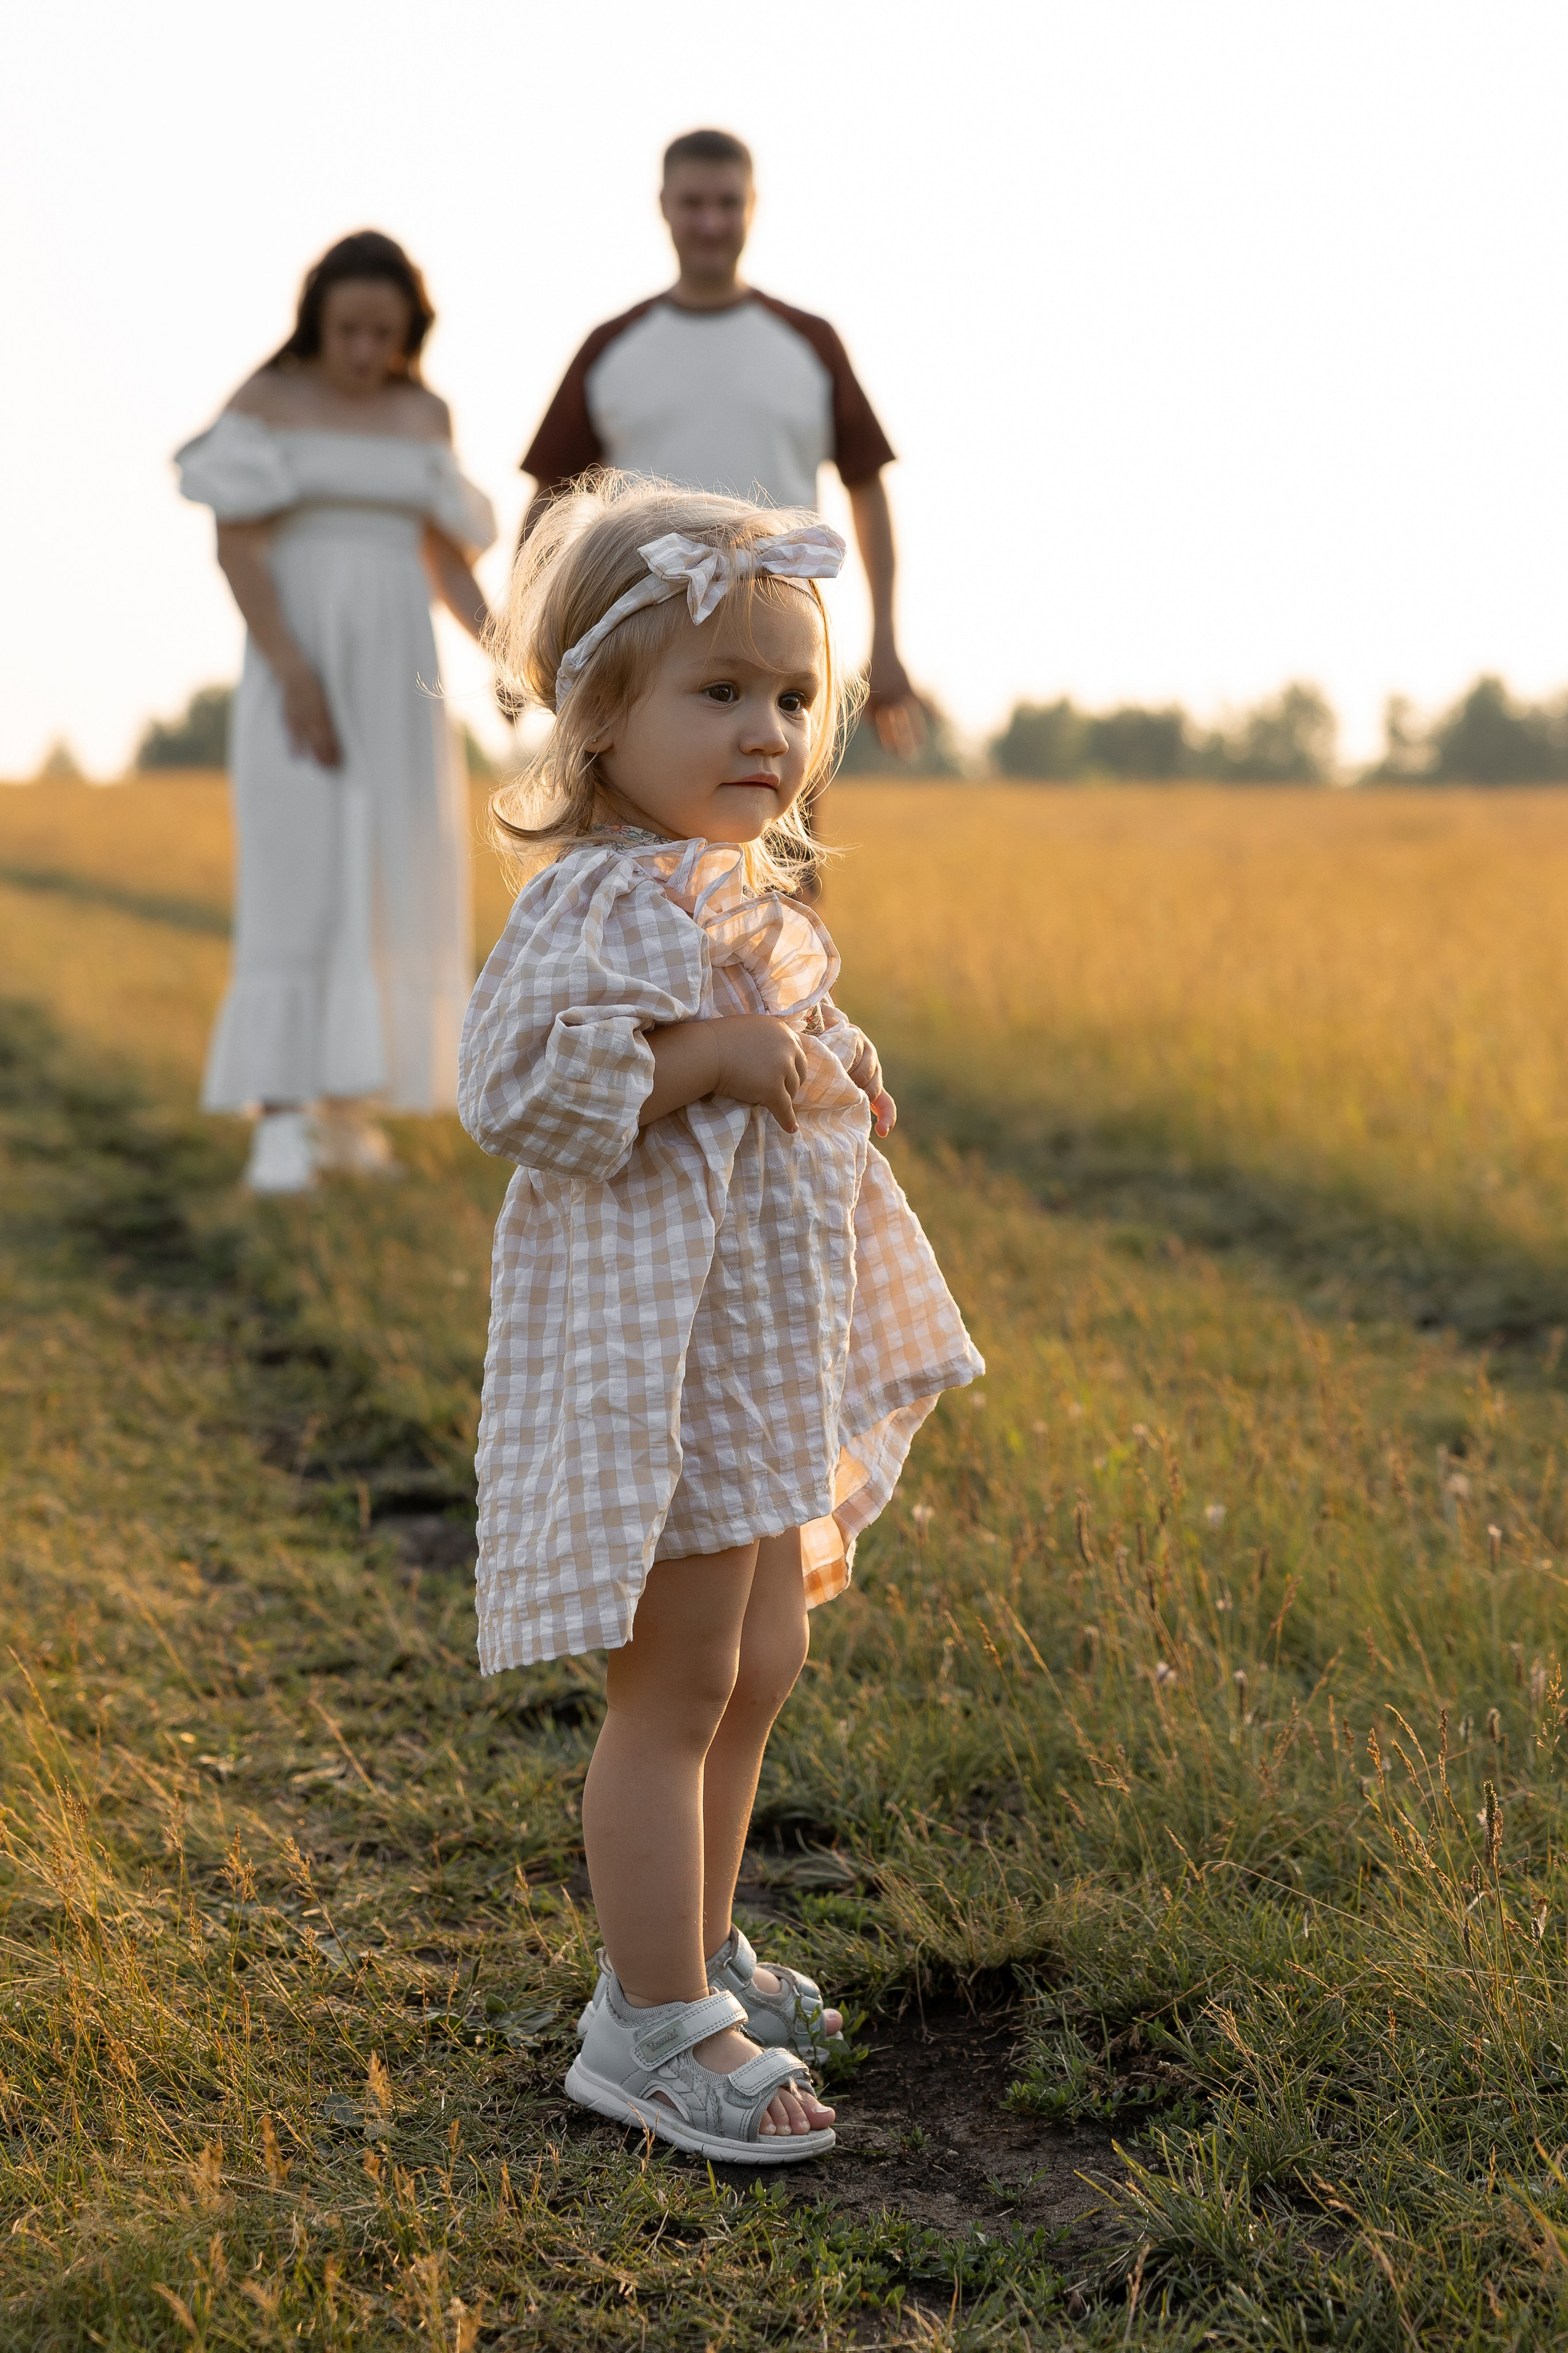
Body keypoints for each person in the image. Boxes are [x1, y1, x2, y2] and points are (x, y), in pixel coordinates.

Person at [458, 475, 983, 2159]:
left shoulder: (731, 893)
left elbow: (779, 1055)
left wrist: (831, 1063)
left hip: (749, 1357)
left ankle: (700, 1942)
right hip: (650, 1364)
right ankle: (650, 2021)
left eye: (792, 695)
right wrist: (700, 1061)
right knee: (675, 1681)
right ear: (601, 713)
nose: (768, 726)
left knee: (762, 1660)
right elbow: (513, 1090)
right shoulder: (598, 901)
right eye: (720, 689)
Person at [175, 231, 497, 1193]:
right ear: (317, 320)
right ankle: (280, 1119)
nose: (365, 352)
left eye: (384, 335)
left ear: (410, 334)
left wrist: (513, 659)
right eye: (349, 330)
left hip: (400, 672)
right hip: (296, 665)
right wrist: (291, 670)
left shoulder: (424, 412)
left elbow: (448, 563)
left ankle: (353, 1115)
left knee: (396, 868)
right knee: (299, 872)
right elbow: (237, 547)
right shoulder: (268, 402)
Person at [519, 128, 923, 758]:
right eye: (693, 204)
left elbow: (868, 492)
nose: (710, 222)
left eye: (727, 204)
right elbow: (550, 503)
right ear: (664, 206)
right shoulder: (610, 348)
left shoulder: (811, 344)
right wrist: (525, 640)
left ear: (753, 206)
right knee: (634, 848)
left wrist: (887, 644)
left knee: (775, 843)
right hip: (640, 658)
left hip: (777, 651)